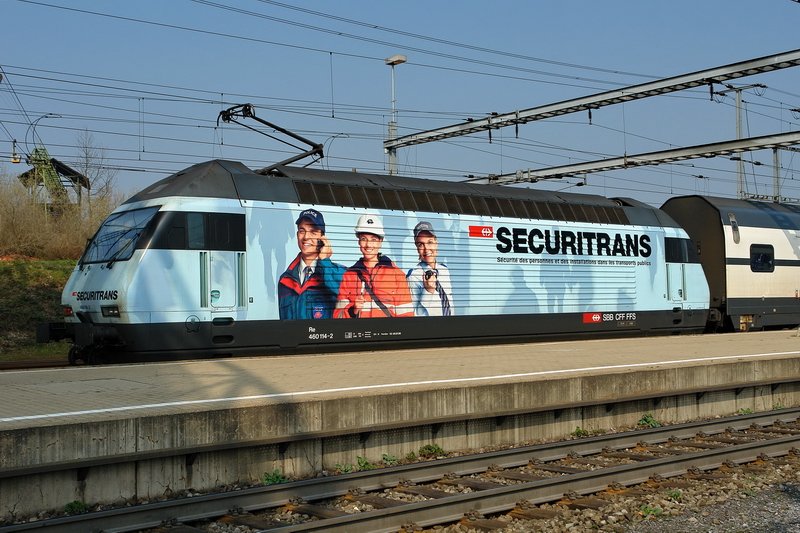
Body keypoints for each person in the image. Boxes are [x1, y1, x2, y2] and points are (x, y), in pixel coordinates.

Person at [334, 214, 413, 318]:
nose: (368, 245)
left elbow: (407, 316)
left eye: (373, 240)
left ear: (380, 242)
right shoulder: (349, 276)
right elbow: (338, 318)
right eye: (364, 239)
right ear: (359, 241)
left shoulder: (396, 274)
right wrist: (353, 310)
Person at [278, 209, 346, 319]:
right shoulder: (284, 280)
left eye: (313, 232)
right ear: (297, 235)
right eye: (302, 231)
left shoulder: (342, 274)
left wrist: (325, 262)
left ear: (323, 239)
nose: (306, 237)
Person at [406, 221, 454, 316]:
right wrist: (428, 291)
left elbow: (450, 304)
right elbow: (415, 315)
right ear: (417, 248)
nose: (426, 248)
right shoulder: (413, 276)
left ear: (436, 243)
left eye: (430, 242)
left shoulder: (444, 270)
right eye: (421, 244)